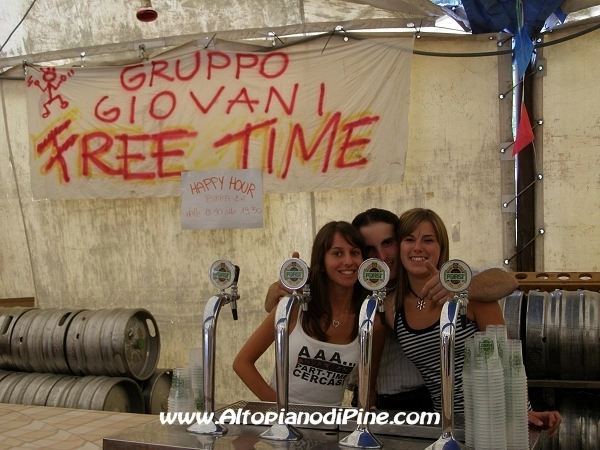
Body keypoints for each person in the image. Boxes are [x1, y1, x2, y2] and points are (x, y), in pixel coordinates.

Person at [265, 208, 519, 411]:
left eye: (388, 243)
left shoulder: (444, 280)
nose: (382, 255)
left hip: (422, 401)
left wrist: (460, 289)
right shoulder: (355, 286)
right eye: (369, 249)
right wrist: (279, 289)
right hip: (369, 400)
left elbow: (506, 281)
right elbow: (283, 303)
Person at [389, 207, 562, 437]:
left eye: (428, 240)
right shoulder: (393, 307)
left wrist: (521, 411)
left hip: (496, 422)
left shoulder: (471, 294)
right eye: (409, 239)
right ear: (399, 247)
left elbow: (507, 360)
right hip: (447, 429)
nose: (418, 247)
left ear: (441, 248)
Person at [234, 221, 385, 407]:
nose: (348, 261)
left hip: (331, 423)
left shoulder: (370, 321)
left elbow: (368, 386)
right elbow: (242, 363)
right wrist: (283, 409)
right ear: (321, 262)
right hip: (281, 420)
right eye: (337, 253)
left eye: (354, 253)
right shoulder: (293, 307)